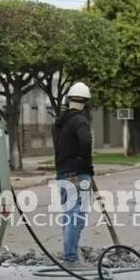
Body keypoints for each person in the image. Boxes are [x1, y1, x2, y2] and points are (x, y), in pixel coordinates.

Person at [52, 82, 94, 267]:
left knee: (69, 215)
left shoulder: (58, 123)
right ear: (86, 101)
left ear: (69, 100)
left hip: (62, 172)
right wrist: (85, 164)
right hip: (78, 174)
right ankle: (71, 258)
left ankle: (71, 253)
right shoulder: (81, 121)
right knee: (77, 216)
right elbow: (85, 142)